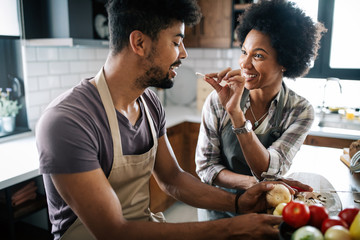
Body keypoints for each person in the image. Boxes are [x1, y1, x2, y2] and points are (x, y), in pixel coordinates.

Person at [36, 0, 310, 239]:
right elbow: (113, 232)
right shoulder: (66, 123)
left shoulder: (150, 104)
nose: (184, 53)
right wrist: (230, 228)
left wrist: (239, 204)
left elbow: (173, 179)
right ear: (139, 43)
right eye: (176, 42)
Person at [195, 0, 326, 221]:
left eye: (258, 56)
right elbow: (206, 167)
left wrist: (236, 116)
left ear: (284, 61)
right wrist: (252, 184)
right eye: (244, 51)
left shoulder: (299, 111)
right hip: (218, 210)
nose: (245, 64)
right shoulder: (218, 101)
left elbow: (270, 170)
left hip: (266, 211)